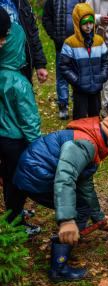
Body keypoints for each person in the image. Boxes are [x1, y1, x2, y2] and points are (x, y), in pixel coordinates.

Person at [13, 112, 108, 281]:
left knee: (83, 203)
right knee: (80, 209)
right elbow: (65, 179)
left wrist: (99, 217)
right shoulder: (84, 145)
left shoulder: (92, 140)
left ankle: (69, 240)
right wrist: (67, 221)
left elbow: (85, 187)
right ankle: (59, 268)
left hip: (34, 171)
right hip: (36, 176)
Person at [0, 8, 41, 224]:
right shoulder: (18, 82)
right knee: (17, 182)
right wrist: (37, 146)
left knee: (6, 178)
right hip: (16, 142)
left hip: (1, 138)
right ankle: (16, 221)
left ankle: (10, 216)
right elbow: (29, 119)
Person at [60, 3, 108, 120]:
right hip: (80, 90)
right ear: (77, 23)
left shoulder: (99, 41)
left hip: (96, 88)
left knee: (95, 118)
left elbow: (106, 62)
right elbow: (64, 66)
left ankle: (94, 137)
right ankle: (78, 138)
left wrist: (101, 77)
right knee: (79, 119)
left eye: (91, 23)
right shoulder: (70, 43)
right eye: (85, 23)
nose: (88, 26)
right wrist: (76, 80)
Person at [42, 0, 84, 120]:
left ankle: (79, 104)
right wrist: (54, 36)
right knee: (62, 76)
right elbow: (46, 18)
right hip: (61, 44)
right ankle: (63, 105)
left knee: (79, 74)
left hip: (79, 43)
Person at [0, 0, 48, 83]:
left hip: (22, 70)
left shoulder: (22, 2)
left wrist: (40, 64)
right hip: (2, 69)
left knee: (23, 94)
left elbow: (32, 33)